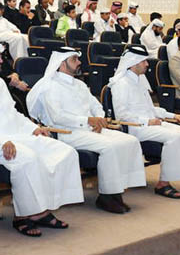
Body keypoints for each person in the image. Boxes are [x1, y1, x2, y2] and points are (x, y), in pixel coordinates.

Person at [0, 37, 84, 237]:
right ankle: (23, 215)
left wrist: (33, 128)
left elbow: (13, 114)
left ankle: (42, 210)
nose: (1, 60)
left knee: (65, 151)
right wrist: (1, 142)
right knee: (29, 158)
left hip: (14, 137)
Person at [27, 48, 146, 213]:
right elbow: (58, 116)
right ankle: (107, 196)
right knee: (109, 147)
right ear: (62, 64)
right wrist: (88, 120)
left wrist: (99, 118)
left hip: (91, 129)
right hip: (67, 132)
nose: (79, 62)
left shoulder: (80, 84)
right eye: (74, 59)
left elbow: (96, 105)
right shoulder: (50, 86)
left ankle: (117, 192)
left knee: (130, 141)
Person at [110, 45, 180, 198]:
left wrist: (172, 115)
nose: (147, 65)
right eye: (144, 62)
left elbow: (151, 108)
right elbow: (122, 115)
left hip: (152, 123)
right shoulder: (120, 84)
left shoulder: (139, 82)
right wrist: (147, 121)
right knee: (174, 138)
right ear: (133, 63)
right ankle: (163, 183)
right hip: (136, 127)